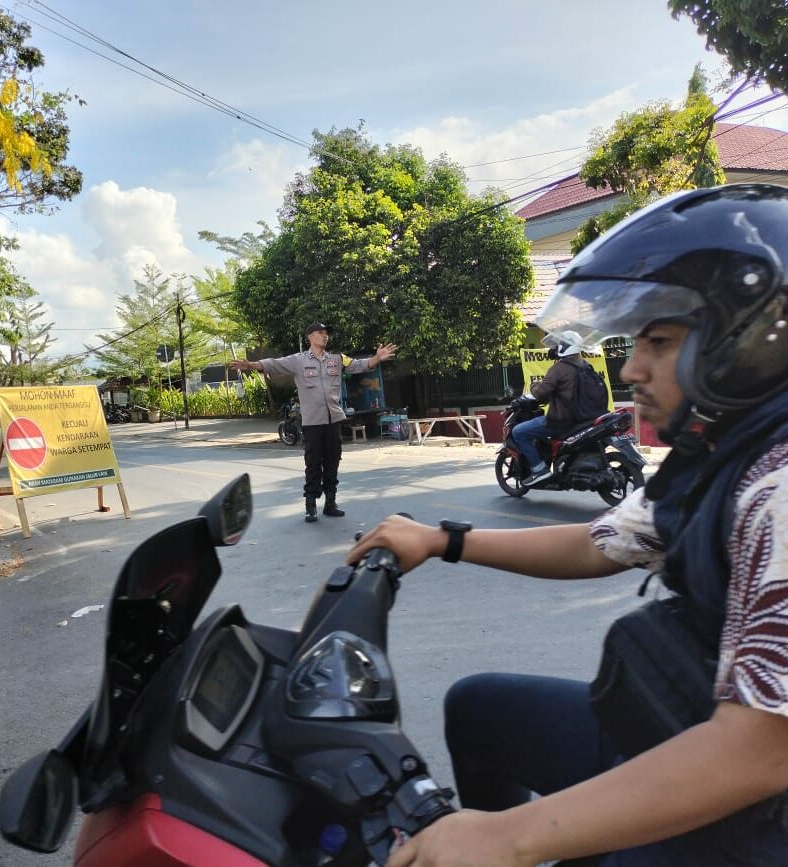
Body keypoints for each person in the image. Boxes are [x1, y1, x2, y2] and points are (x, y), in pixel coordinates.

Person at [347, 183, 788, 866]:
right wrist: (442, 539)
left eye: (661, 341)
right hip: (678, 728)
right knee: (478, 709)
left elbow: (764, 746)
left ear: (747, 344)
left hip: (751, 813)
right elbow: (598, 541)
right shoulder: (719, 453)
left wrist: (506, 837)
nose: (632, 367)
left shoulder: (780, 484)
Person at [231, 322, 397, 522]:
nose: (325, 336)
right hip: (312, 423)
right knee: (312, 464)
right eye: (320, 333)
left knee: (332, 463)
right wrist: (251, 365)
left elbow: (359, 365)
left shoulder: (336, 359)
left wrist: (377, 358)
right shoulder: (298, 361)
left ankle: (330, 503)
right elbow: (274, 364)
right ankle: (310, 505)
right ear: (310, 336)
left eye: (326, 333)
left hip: (333, 419)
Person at [511, 331, 594, 486]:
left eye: (559, 345)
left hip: (562, 420)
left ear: (565, 347)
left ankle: (539, 469)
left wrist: (535, 386)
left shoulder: (560, 368)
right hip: (585, 418)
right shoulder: (586, 365)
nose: (556, 348)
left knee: (519, 432)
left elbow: (542, 393)